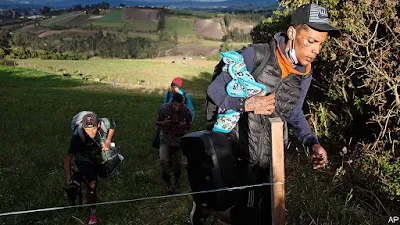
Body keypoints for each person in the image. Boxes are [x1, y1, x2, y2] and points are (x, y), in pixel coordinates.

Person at [193, 3, 341, 225]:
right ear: (292, 32)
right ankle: (208, 209)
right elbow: (214, 90)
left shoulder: (305, 74)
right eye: (311, 41)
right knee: (247, 216)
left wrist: (312, 142)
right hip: (240, 152)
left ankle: (211, 210)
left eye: (321, 44)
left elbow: (294, 112)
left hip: (272, 159)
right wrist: (247, 104)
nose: (316, 50)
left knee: (268, 216)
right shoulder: (257, 55)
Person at [64, 112, 116, 225]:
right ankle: (93, 214)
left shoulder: (104, 123)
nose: (91, 133)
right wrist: (68, 178)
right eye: (87, 130)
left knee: (103, 174)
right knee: (93, 184)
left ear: (98, 125)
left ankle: (79, 179)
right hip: (83, 158)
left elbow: (112, 124)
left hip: (97, 156)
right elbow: (68, 158)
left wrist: (108, 140)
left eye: (93, 129)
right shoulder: (77, 137)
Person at [156, 93, 192, 194]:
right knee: (163, 160)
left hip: (179, 139)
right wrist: (164, 123)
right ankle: (168, 181)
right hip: (166, 138)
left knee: (178, 163)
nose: (177, 108)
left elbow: (189, 124)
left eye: (180, 105)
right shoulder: (164, 109)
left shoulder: (186, 111)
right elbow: (157, 121)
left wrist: (185, 125)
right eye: (175, 105)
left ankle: (176, 181)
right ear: (172, 103)